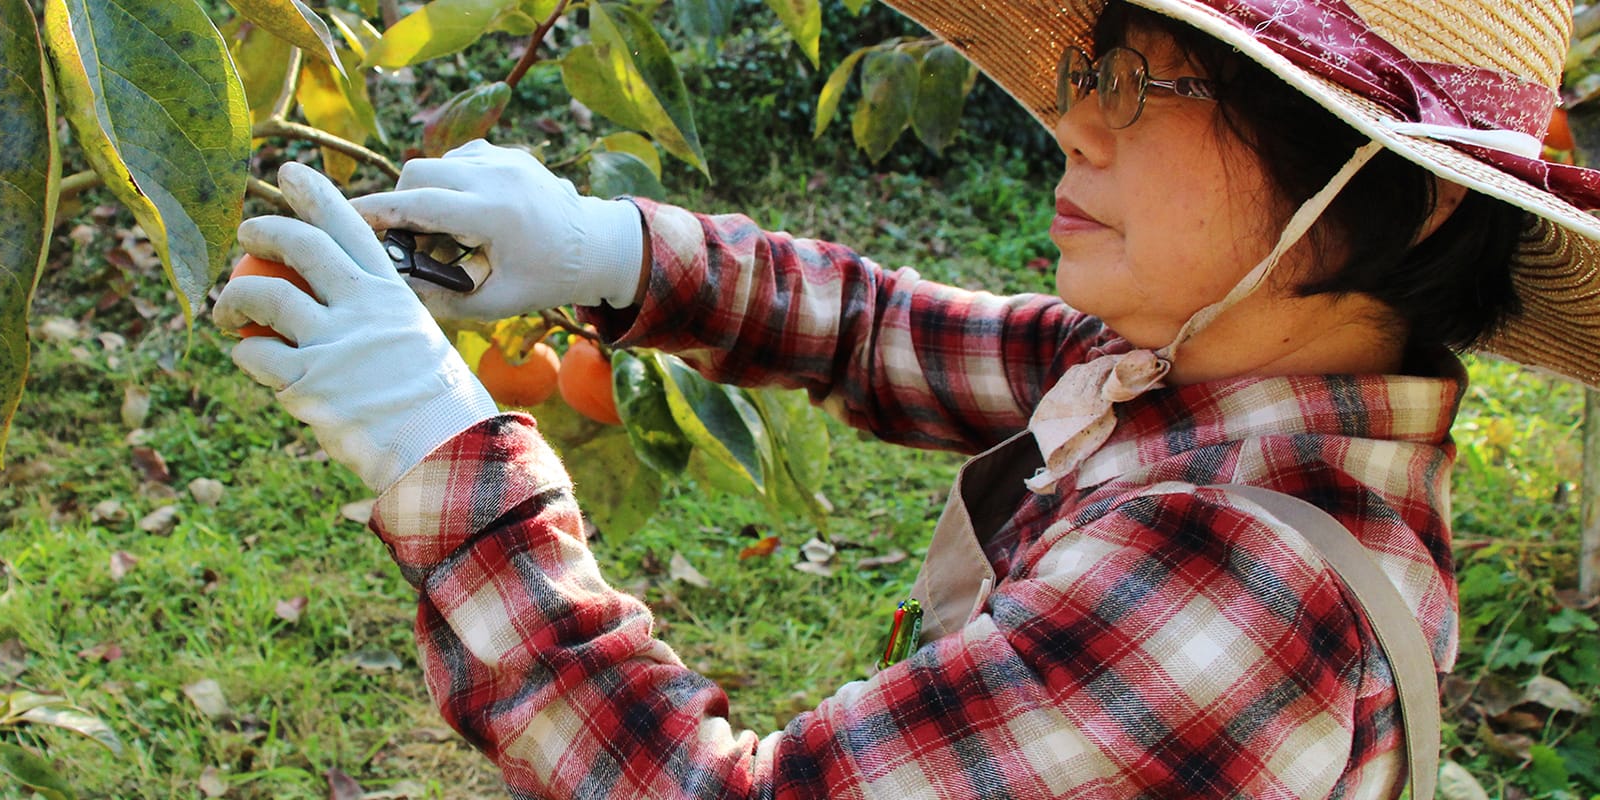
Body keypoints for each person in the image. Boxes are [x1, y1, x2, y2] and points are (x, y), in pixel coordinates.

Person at [210, 0, 1600, 795]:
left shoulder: (1232, 587)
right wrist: (616, 250)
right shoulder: (1224, 388)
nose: (1082, 120)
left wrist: (445, 460)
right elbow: (893, 333)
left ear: (1391, 198)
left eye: (1158, 84)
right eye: (1093, 69)